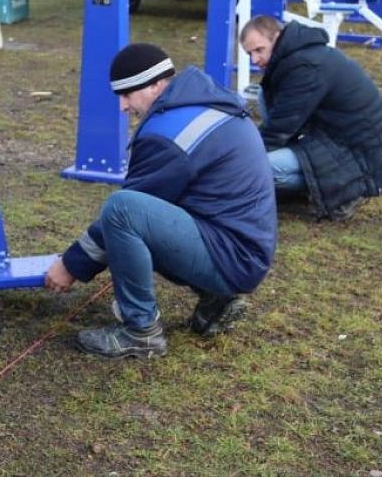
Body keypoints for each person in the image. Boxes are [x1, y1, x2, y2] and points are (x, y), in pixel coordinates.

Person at [44, 44, 276, 359]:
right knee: (146, 213)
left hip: (232, 256)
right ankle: (216, 297)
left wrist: (70, 265)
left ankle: (140, 331)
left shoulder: (168, 133)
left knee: (122, 209)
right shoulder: (204, 103)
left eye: (127, 94)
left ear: (156, 85)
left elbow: (132, 209)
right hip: (244, 247)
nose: (123, 107)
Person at [239, 15, 382, 221]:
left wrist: (238, 159)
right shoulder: (299, 55)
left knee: (255, 170)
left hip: (360, 158)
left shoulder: (305, 67)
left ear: (277, 37)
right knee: (265, 94)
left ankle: (345, 194)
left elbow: (279, 129)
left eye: (259, 50)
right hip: (337, 139)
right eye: (249, 54)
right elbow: (282, 122)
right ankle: (312, 187)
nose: (254, 60)